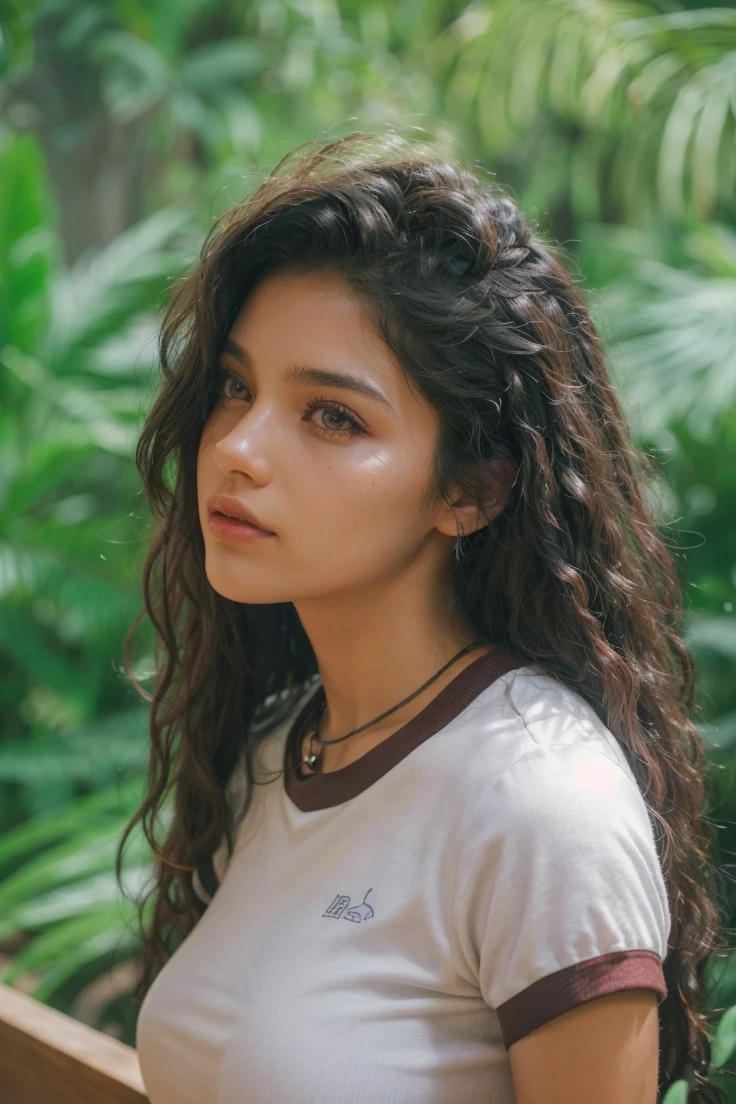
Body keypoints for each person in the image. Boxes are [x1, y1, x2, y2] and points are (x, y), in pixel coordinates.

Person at [118, 131, 728, 1104]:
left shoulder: (537, 806)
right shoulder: (280, 752)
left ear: (470, 492)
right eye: (237, 387)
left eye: (332, 417)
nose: (236, 447)